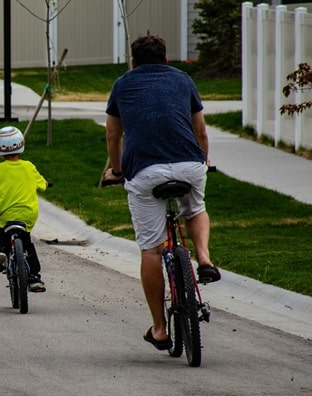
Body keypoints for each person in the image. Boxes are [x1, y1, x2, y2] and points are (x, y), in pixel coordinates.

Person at [102, 34, 222, 351]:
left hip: (145, 172)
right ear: (166, 59)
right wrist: (203, 159)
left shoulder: (122, 84)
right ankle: (205, 258)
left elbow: (113, 135)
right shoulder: (183, 80)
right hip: (189, 166)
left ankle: (158, 328)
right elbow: (201, 131)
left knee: (152, 250)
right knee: (195, 209)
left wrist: (116, 170)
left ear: (133, 62)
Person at [0, 126, 47, 293]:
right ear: (21, 145)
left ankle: (0, 252)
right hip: (28, 214)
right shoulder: (29, 167)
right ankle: (34, 277)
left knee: (2, 230)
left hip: (7, 215)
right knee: (26, 241)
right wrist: (46, 183)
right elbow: (42, 184)